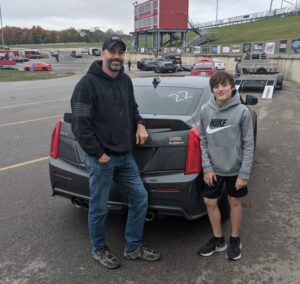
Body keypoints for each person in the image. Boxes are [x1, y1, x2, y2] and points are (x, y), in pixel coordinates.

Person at [70, 36, 160, 269]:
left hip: (125, 157)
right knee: (99, 207)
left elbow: (132, 109)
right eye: (113, 52)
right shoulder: (86, 85)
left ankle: (132, 248)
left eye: (121, 52)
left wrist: (140, 124)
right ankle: (98, 249)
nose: (117, 56)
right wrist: (99, 154)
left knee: (140, 198)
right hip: (102, 159)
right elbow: (80, 125)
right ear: (102, 54)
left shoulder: (125, 81)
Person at [197, 71, 254, 261]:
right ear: (212, 89)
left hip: (236, 169)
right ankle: (218, 240)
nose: (220, 89)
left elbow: (248, 144)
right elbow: (203, 140)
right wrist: (207, 167)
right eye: (216, 86)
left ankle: (235, 239)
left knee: (234, 202)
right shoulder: (205, 110)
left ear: (231, 86)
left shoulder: (242, 111)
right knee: (210, 202)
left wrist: (244, 173)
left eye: (224, 85)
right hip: (213, 169)